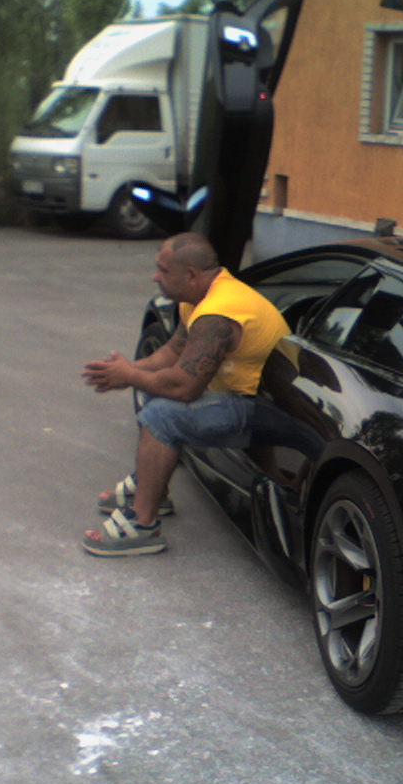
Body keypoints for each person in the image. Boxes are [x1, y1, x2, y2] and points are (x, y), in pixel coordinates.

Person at [80, 232, 288, 556]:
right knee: (153, 391)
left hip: (262, 411)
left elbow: (184, 387)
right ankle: (153, 490)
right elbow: (172, 353)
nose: (155, 276)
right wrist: (127, 371)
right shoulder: (198, 297)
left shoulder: (219, 313)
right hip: (239, 398)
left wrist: (129, 376)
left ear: (190, 274)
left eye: (163, 270)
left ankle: (143, 526)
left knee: (161, 415)